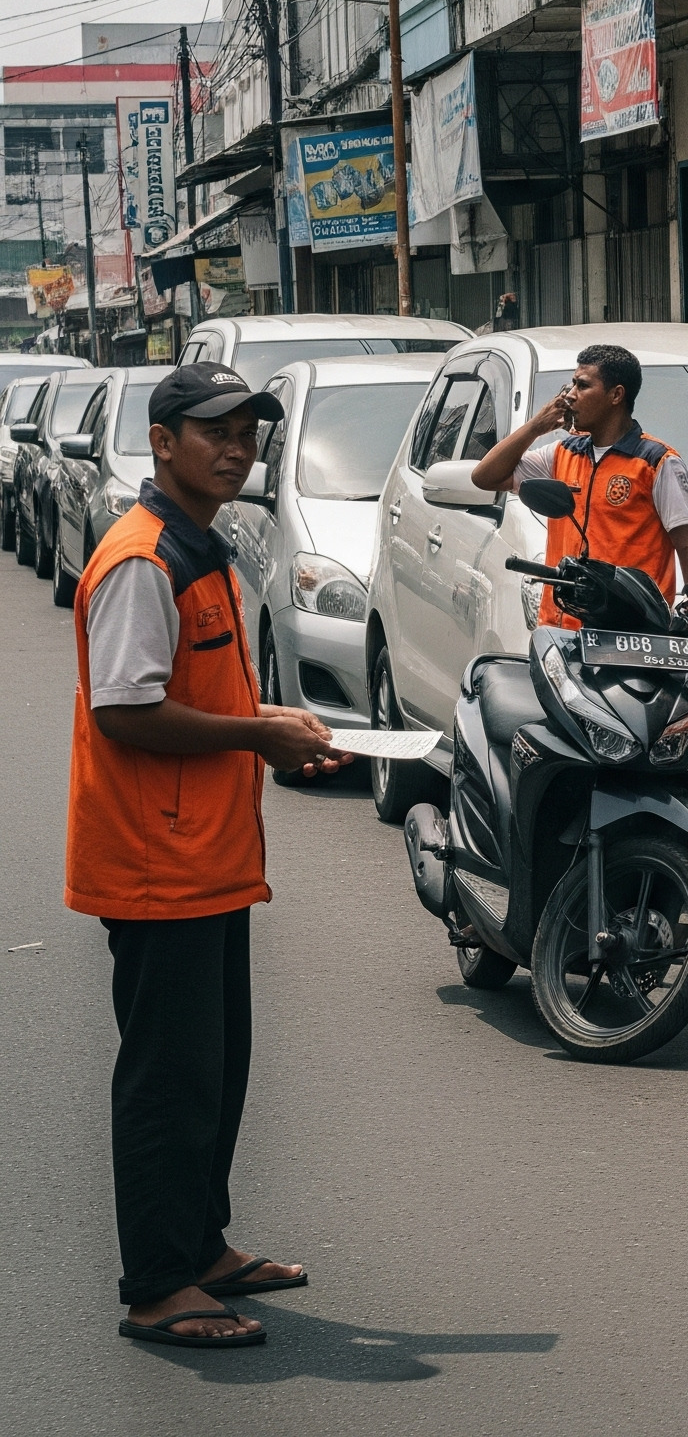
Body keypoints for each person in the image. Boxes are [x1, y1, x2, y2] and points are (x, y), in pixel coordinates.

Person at [67, 365, 351, 1349]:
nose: (237, 446)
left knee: (215, 1070)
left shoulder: (198, 544)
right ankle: (157, 1284)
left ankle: (201, 1245)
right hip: (157, 863)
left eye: (248, 431)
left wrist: (267, 724)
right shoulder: (145, 559)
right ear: (161, 441)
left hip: (203, 859)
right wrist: (255, 733)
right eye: (213, 430)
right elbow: (125, 706)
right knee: (168, 1079)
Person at [472, 342, 688, 657]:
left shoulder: (657, 461)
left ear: (616, 395)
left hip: (631, 638)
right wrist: (537, 426)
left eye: (583, 385)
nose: (570, 395)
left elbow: (687, 543)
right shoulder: (563, 453)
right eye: (572, 383)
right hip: (562, 634)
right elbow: (485, 477)